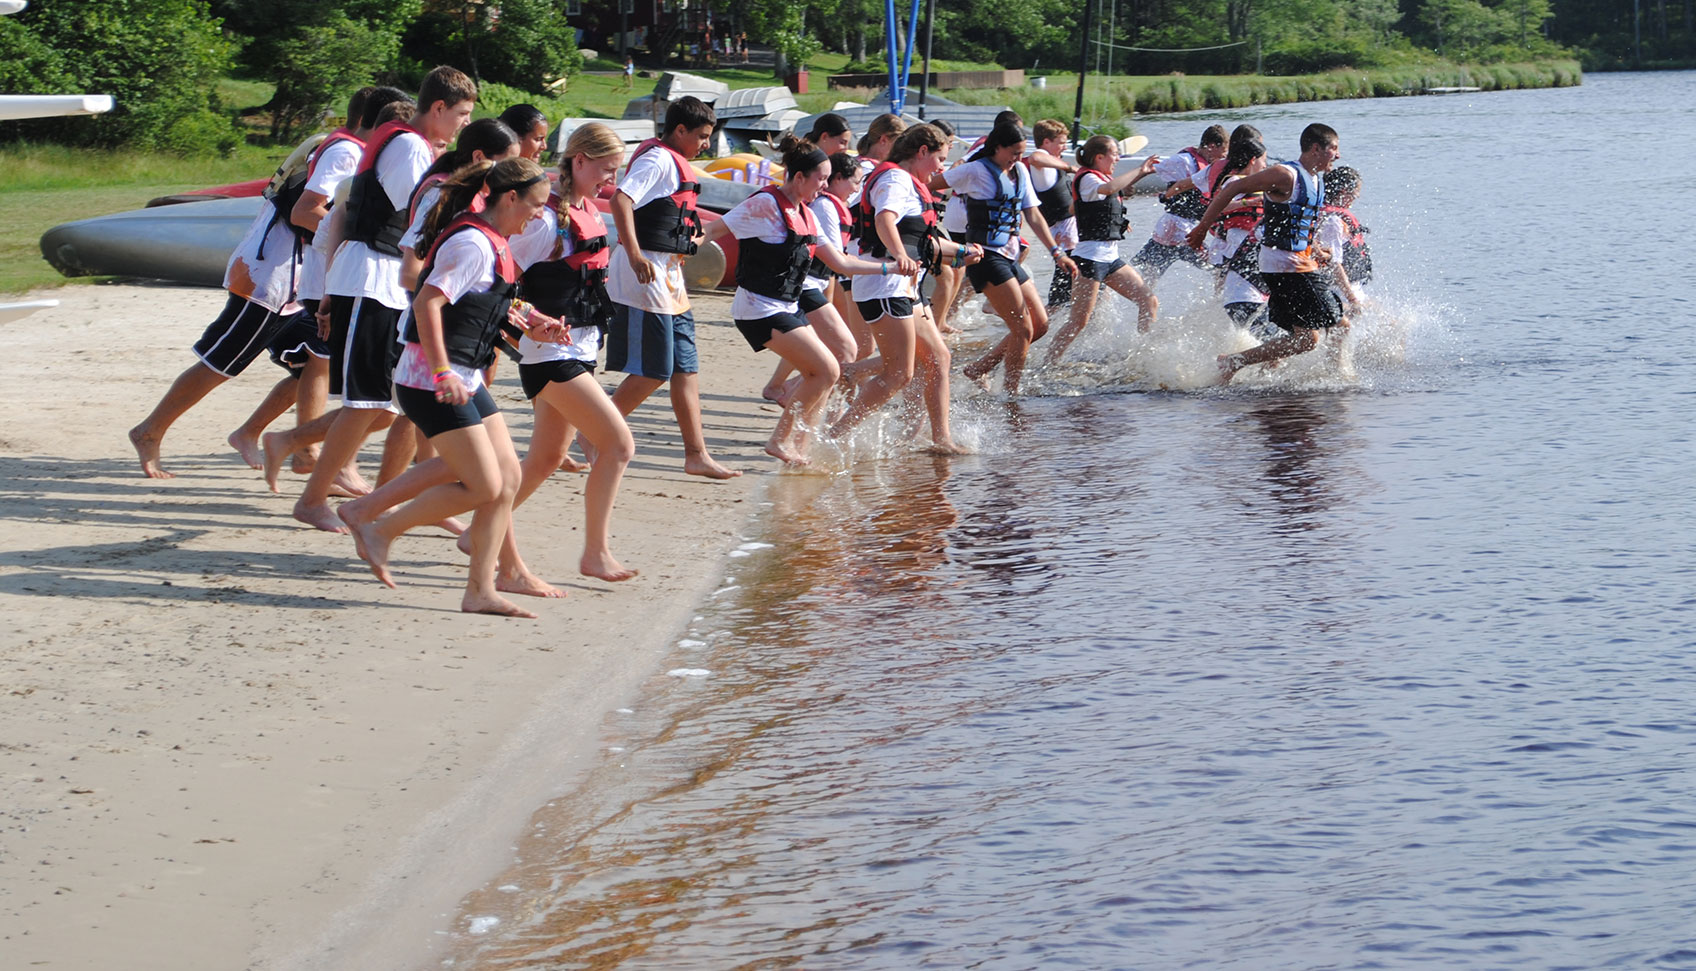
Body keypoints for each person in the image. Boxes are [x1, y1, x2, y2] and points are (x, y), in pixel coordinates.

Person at [338, 157, 551, 617]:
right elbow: (428, 302)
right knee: (483, 484)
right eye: (535, 205)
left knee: (507, 478)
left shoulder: (493, 241)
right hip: (429, 378)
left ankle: (481, 588)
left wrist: (534, 323)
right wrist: (440, 371)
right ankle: (381, 528)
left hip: (463, 374)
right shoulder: (473, 242)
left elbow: (487, 303)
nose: (539, 215)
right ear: (510, 197)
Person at [294, 65, 476, 532]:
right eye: (460, 114)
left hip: (380, 281)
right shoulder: (409, 147)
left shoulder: (408, 144)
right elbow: (420, 215)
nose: (461, 124)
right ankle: (313, 495)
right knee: (368, 404)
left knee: (387, 403)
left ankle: (383, 497)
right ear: (437, 108)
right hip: (370, 278)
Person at [498, 122, 639, 587]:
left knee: (544, 459)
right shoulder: (546, 221)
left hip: (578, 350)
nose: (610, 181)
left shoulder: (589, 211)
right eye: (604, 170)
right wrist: (534, 318)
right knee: (617, 446)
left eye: (615, 172)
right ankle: (595, 553)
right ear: (578, 161)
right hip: (547, 354)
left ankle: (482, 524)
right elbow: (501, 282)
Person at [127, 130, 315, 478]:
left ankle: (252, 433)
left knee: (316, 364)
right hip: (269, 281)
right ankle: (149, 431)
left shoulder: (335, 150)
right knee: (219, 363)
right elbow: (304, 215)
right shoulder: (335, 153)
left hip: (297, 287)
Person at [701, 137, 900, 465]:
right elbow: (713, 230)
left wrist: (889, 266)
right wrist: (680, 252)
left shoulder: (807, 214)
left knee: (830, 370)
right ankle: (779, 441)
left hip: (784, 306)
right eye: (821, 178)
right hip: (757, 308)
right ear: (798, 177)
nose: (825, 184)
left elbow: (841, 263)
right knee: (824, 370)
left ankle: (802, 445)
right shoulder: (765, 204)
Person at [604, 96, 739, 479]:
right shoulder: (659, 160)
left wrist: (693, 242)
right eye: (702, 137)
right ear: (679, 130)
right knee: (654, 371)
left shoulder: (672, 161)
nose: (706, 145)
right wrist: (633, 254)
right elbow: (621, 199)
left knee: (685, 368)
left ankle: (696, 455)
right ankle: (593, 431)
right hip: (645, 275)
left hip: (670, 277)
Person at [831, 123, 981, 451]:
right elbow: (885, 218)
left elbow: (921, 242)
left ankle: (941, 439)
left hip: (904, 288)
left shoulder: (910, 183)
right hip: (883, 286)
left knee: (939, 358)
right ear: (922, 152)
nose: (942, 168)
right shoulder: (896, 179)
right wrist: (899, 255)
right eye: (939, 158)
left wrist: (962, 253)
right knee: (899, 373)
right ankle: (833, 437)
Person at [1187, 123, 1347, 383]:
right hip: (1286, 266)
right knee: (1341, 326)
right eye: (1334, 149)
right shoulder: (1285, 174)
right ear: (1316, 149)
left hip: (1294, 264)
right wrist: (1202, 229)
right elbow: (1231, 189)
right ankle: (1338, 382)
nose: (1338, 155)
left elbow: (1301, 222)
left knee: (1306, 339)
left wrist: (1316, 249)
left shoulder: (1316, 179)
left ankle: (1235, 363)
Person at [947, 122, 1077, 395]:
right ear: (997, 148)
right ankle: (1011, 393)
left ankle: (978, 368)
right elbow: (931, 186)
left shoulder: (1019, 171)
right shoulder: (975, 169)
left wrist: (1057, 252)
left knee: (1040, 325)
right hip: (986, 257)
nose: (1019, 158)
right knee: (1023, 329)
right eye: (1014, 153)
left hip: (1010, 256)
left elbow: (1033, 214)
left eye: (1022, 153)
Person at [1042, 136, 1161, 365]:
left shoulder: (1098, 179)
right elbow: (1106, 189)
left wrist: (1109, 219)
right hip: (1089, 259)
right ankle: (1048, 362)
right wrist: (1139, 169)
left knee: (1149, 300)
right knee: (1079, 321)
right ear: (1099, 157)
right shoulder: (1087, 177)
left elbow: (1073, 207)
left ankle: (1144, 356)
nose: (1118, 158)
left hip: (1111, 258)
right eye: (1114, 154)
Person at [1196, 125, 1274, 337]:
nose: (1266, 165)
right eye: (1263, 161)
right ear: (1252, 160)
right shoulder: (1234, 181)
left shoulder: (1258, 181)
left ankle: (1243, 330)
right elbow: (1219, 206)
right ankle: (1230, 329)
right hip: (1235, 240)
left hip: (1250, 241)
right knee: (1231, 286)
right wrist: (1252, 200)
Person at [1129, 124, 1227, 285]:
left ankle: (1217, 305)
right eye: (1222, 152)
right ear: (1211, 146)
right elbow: (1150, 169)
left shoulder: (1207, 165)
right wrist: (1128, 185)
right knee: (1218, 268)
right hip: (1179, 228)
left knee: (1149, 276)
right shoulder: (1183, 160)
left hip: (1173, 229)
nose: (1223, 157)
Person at [1026, 119, 1078, 314]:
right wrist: (1070, 168)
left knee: (1087, 288)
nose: (1064, 147)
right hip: (1064, 235)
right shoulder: (1041, 158)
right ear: (1046, 142)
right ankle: (1034, 327)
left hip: (1070, 235)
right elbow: (1034, 158)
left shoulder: (1053, 163)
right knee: (1058, 301)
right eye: (1061, 142)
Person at [1317, 165, 1371, 302]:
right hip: (1338, 291)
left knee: (1394, 322)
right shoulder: (1331, 222)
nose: (1357, 197)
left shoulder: (1335, 217)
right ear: (1343, 192)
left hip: (1351, 287)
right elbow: (1333, 264)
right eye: (1354, 194)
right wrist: (1352, 299)